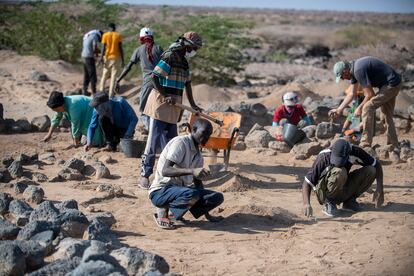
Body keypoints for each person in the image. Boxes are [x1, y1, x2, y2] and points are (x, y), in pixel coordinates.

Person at [139, 31, 203, 189]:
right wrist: (165, 94)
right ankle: (145, 175)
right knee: (153, 142)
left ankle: (168, 176)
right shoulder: (169, 56)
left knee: (172, 143)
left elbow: (187, 84)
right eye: (193, 47)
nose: (194, 50)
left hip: (174, 105)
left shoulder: (184, 62)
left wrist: (193, 105)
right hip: (161, 104)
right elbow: (154, 77)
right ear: (186, 44)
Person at [149, 118, 224, 229]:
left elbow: (198, 184)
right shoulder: (180, 143)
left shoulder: (198, 155)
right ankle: (162, 212)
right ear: (193, 130)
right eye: (204, 132)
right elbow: (166, 170)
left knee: (216, 197)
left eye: (209, 134)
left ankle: (175, 214)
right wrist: (192, 171)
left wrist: (208, 215)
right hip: (161, 192)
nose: (207, 137)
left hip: (179, 192)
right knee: (190, 194)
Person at [329, 56, 402, 149]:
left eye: (342, 77)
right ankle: (394, 146)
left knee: (367, 107)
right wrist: (339, 109)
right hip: (390, 83)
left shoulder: (358, 70)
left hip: (391, 85)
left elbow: (370, 94)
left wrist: (359, 108)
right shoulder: (353, 69)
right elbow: (352, 93)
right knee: (385, 116)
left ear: (345, 71)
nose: (343, 79)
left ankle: (365, 143)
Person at [302, 139, 384, 218]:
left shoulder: (355, 152)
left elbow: (377, 165)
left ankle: (349, 202)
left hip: (342, 185)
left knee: (371, 170)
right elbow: (307, 182)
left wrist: (380, 189)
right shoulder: (324, 157)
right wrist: (306, 204)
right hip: (325, 191)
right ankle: (329, 203)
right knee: (340, 172)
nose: (338, 162)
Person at [116, 27, 164, 132]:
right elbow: (166, 64)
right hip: (161, 83)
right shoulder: (159, 48)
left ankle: (152, 131)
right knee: (157, 109)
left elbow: (128, 66)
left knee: (143, 110)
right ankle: (156, 130)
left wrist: (118, 80)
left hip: (148, 82)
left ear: (141, 39)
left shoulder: (139, 50)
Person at [99, 23, 124, 98]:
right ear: (114, 28)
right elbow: (120, 48)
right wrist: (122, 60)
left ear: (109, 28)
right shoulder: (118, 35)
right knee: (113, 76)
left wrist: (101, 58)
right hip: (116, 58)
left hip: (107, 58)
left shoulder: (105, 35)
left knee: (104, 75)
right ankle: (110, 95)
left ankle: (101, 92)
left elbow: (103, 47)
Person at [81, 29, 103, 96]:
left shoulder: (88, 35)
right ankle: (94, 92)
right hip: (89, 57)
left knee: (86, 75)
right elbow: (94, 48)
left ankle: (84, 91)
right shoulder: (95, 36)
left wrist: (99, 52)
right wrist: (97, 57)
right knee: (93, 76)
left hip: (84, 56)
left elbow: (91, 48)